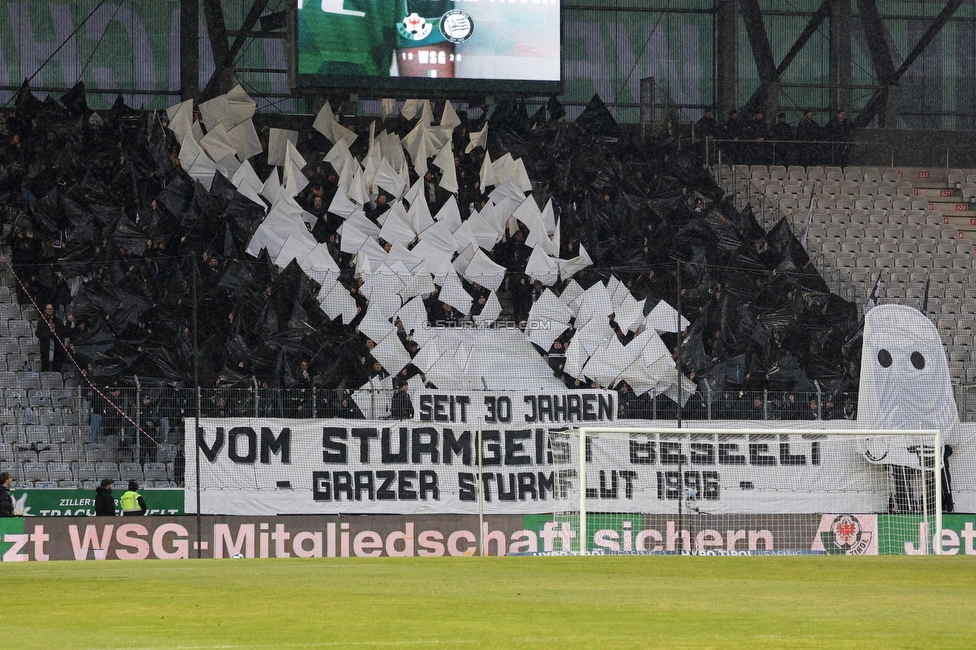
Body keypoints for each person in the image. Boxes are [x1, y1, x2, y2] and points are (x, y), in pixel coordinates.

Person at [36, 303, 64, 372]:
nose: (49, 310)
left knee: (56, 365)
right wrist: (48, 334)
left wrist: (55, 333)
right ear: (45, 310)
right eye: (48, 309)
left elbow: (63, 332)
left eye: (51, 309)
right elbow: (38, 333)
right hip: (45, 347)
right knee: (45, 364)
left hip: (57, 348)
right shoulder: (41, 322)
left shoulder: (58, 321)